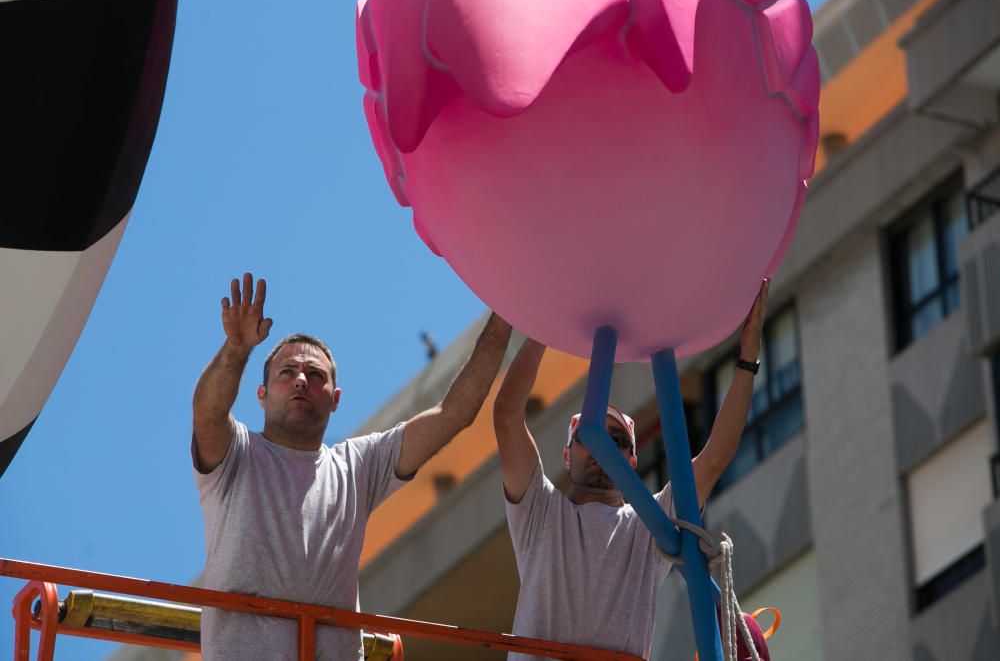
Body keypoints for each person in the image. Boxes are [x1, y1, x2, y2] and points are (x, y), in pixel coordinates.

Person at [192, 273, 511, 660]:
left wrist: (506, 313)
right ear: (260, 395)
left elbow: (454, 414)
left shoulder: (356, 466)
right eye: (287, 372)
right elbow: (208, 415)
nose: (300, 381)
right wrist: (237, 348)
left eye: (315, 375)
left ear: (336, 399)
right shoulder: (237, 455)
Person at [492, 279, 770, 661]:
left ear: (632, 461)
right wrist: (545, 327)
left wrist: (747, 359)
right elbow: (507, 417)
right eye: (587, 439)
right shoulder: (539, 512)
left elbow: (716, 455)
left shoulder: (650, 524)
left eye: (617, 441)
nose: (600, 448)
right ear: (567, 455)